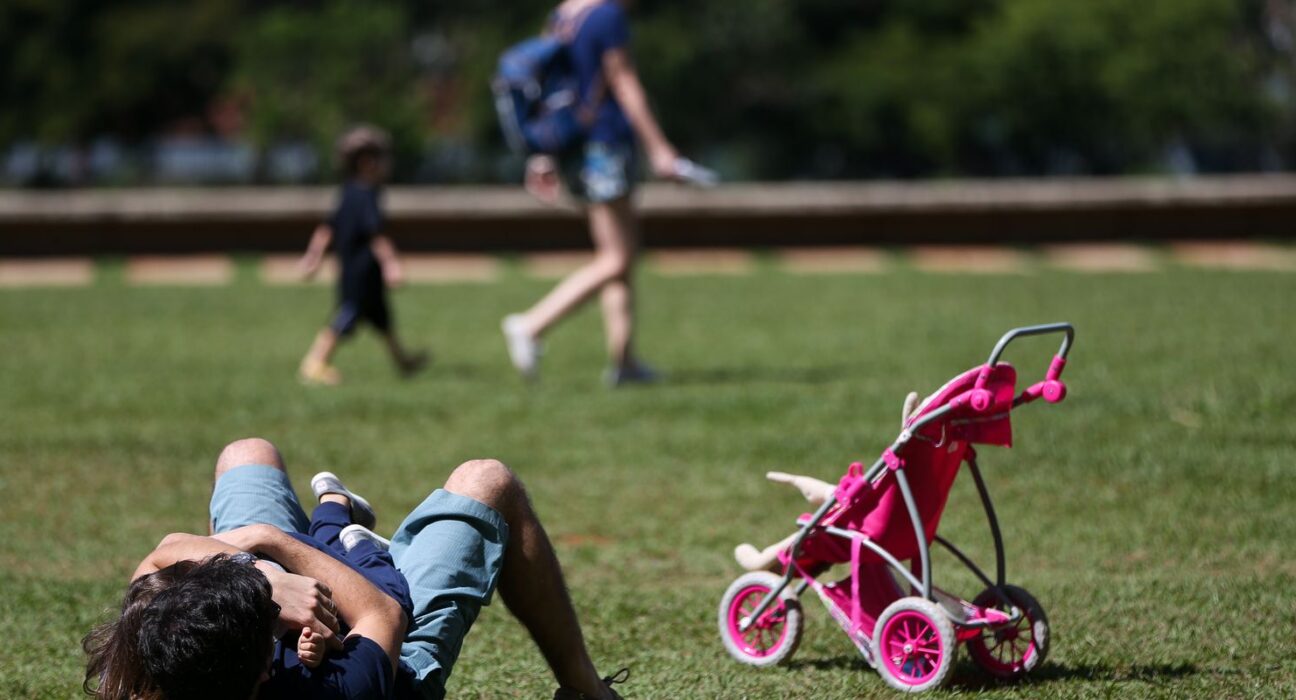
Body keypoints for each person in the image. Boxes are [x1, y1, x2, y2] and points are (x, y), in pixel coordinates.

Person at [84, 438, 626, 700]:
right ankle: (586, 691)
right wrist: (270, 545)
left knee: (247, 454)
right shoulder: (337, 695)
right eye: (267, 621)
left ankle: (337, 530)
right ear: (262, 675)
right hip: (388, 651)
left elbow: (164, 553)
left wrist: (261, 574)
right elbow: (379, 610)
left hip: (248, 607)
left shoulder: (139, 672)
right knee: (487, 481)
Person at [501, 0, 687, 387]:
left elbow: (543, 90)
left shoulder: (563, 14)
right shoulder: (607, 15)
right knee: (617, 259)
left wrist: (541, 155)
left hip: (575, 147)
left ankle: (625, 362)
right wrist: (659, 148)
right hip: (604, 144)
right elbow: (623, 82)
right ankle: (531, 324)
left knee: (619, 254)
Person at [298, 125, 427, 386]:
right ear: (367, 162)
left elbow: (326, 228)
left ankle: (403, 362)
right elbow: (376, 235)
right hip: (361, 270)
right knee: (346, 316)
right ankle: (314, 362)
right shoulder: (367, 195)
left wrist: (313, 257)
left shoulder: (349, 191)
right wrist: (392, 264)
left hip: (358, 270)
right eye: (381, 158)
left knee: (383, 319)